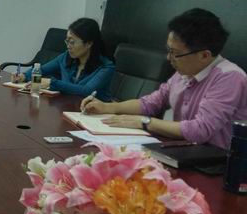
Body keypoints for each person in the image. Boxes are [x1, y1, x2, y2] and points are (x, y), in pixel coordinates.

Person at [81, 8, 247, 149]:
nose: (168, 58)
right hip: (185, 153)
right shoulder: (185, 71)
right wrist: (107, 107)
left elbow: (200, 130)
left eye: (175, 53)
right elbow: (151, 103)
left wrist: (144, 122)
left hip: (218, 165)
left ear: (204, 55)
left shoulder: (230, 77)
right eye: (168, 50)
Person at [15, 18, 115, 100]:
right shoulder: (66, 57)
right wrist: (23, 76)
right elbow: (42, 70)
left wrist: (51, 83)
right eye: (67, 41)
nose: (68, 46)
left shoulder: (106, 67)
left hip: (94, 114)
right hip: (67, 107)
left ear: (89, 43)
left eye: (72, 42)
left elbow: (86, 91)